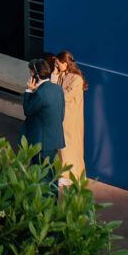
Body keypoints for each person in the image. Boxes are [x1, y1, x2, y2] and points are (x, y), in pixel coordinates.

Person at [20, 56, 66, 169]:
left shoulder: (40, 94)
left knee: (40, 176)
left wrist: (29, 91)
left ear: (36, 75)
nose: (30, 75)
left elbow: (28, 110)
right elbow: (61, 114)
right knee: (51, 173)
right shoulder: (58, 89)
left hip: (41, 144)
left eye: (31, 73)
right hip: (54, 140)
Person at [53, 50, 87, 181]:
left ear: (65, 63)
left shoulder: (76, 79)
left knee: (71, 147)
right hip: (61, 117)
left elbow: (65, 96)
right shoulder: (61, 75)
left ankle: (73, 175)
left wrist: (55, 86)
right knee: (62, 147)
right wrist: (55, 76)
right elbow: (53, 91)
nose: (56, 66)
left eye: (58, 63)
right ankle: (63, 173)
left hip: (71, 120)